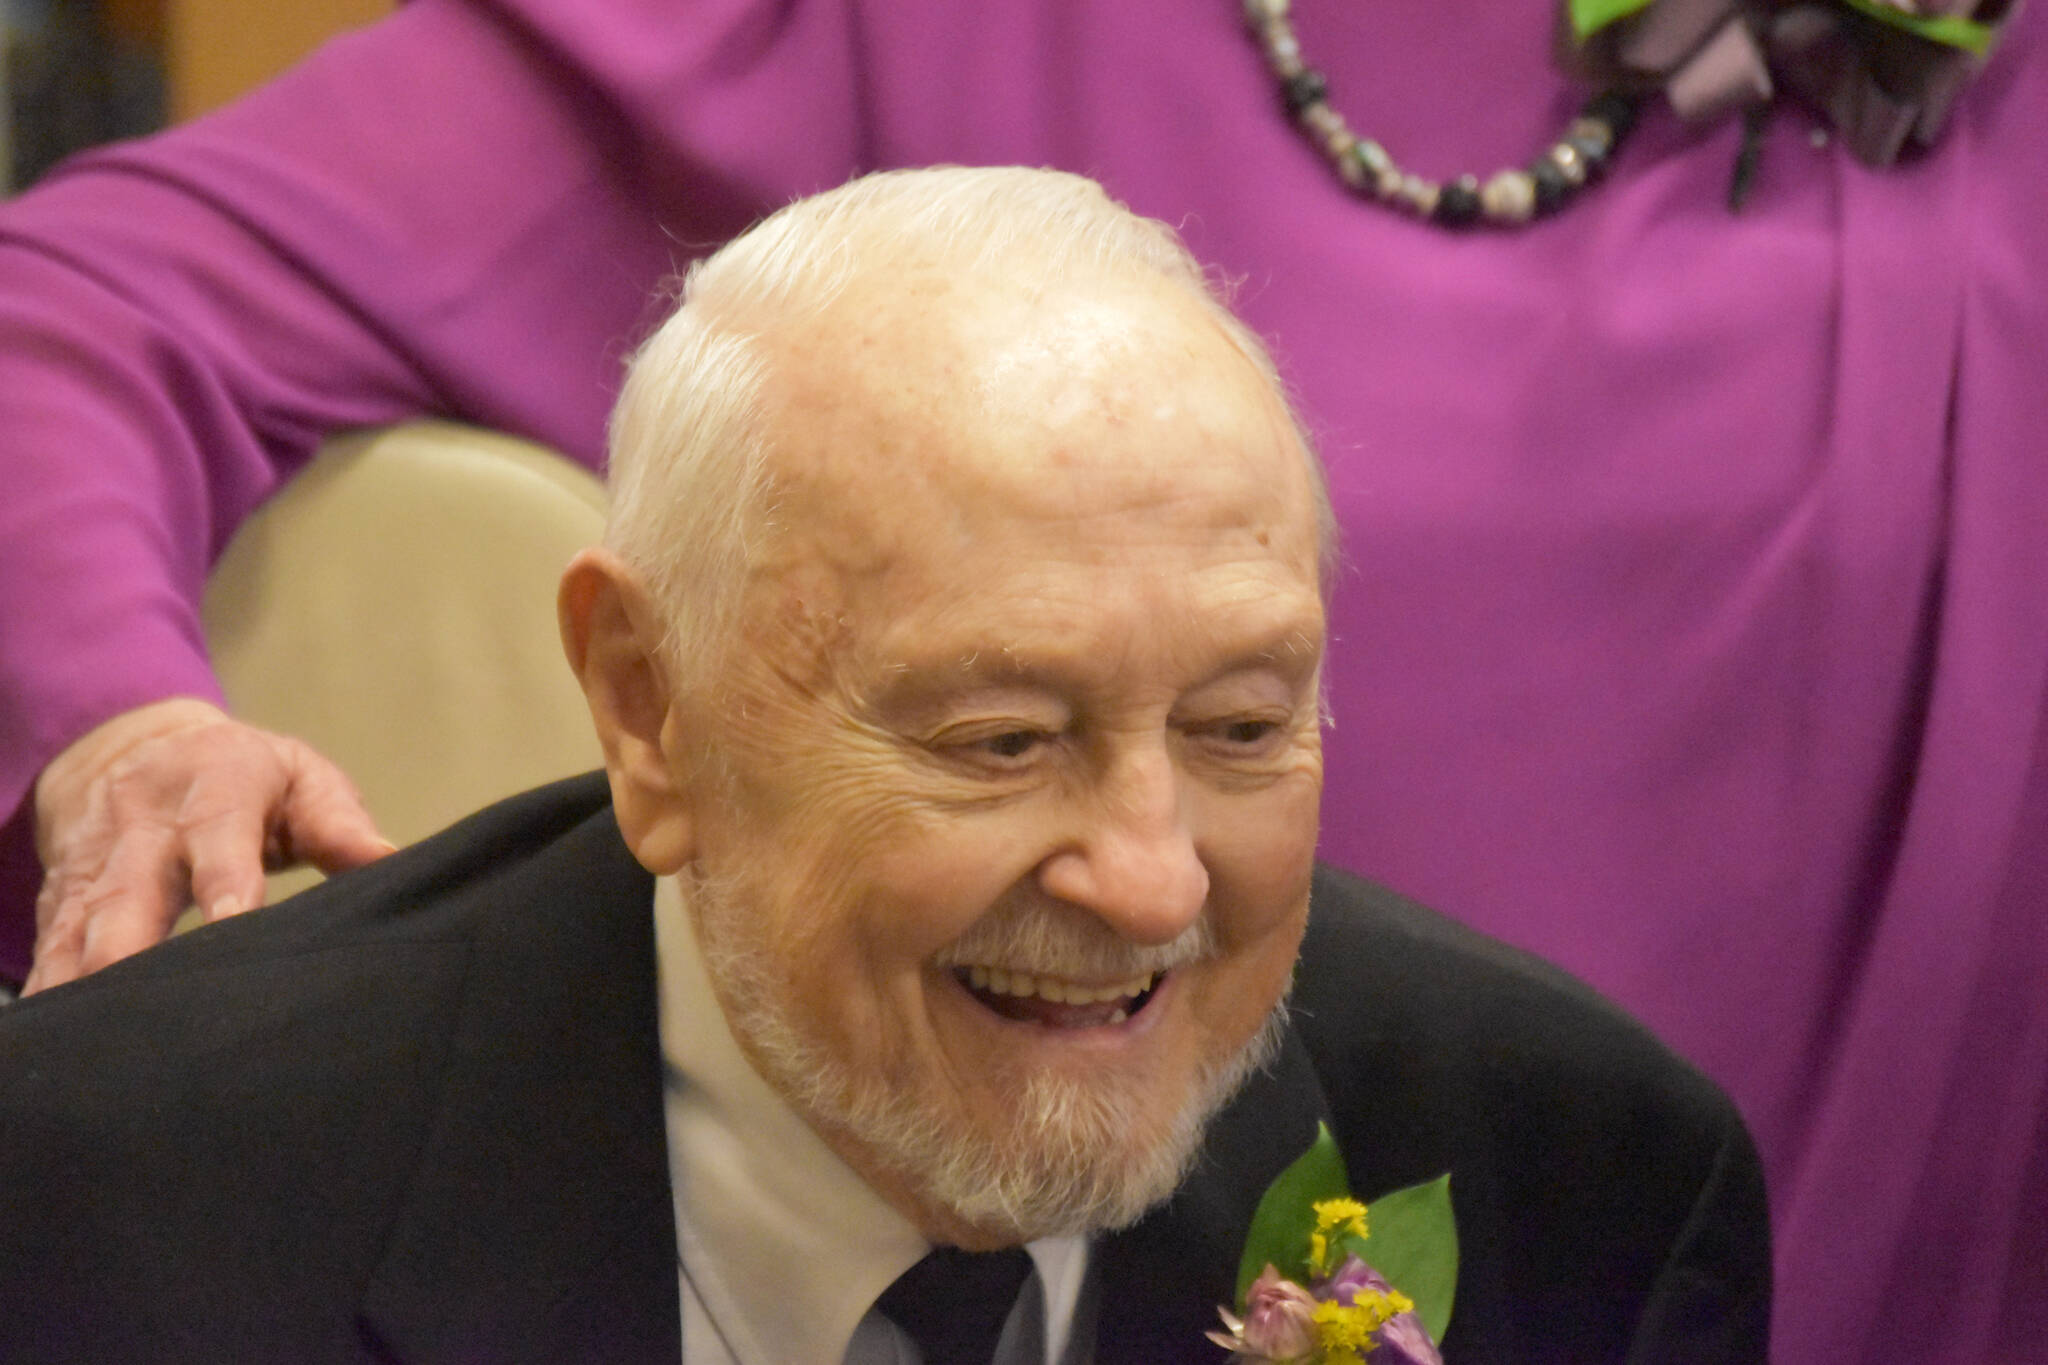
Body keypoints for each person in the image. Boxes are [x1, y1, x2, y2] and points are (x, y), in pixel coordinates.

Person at [0, 3, 2037, 1360]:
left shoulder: (1596, 1169)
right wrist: (120, 713)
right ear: (640, 705)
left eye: (1245, 720)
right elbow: (79, 311)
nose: (1147, 865)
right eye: (999, 733)